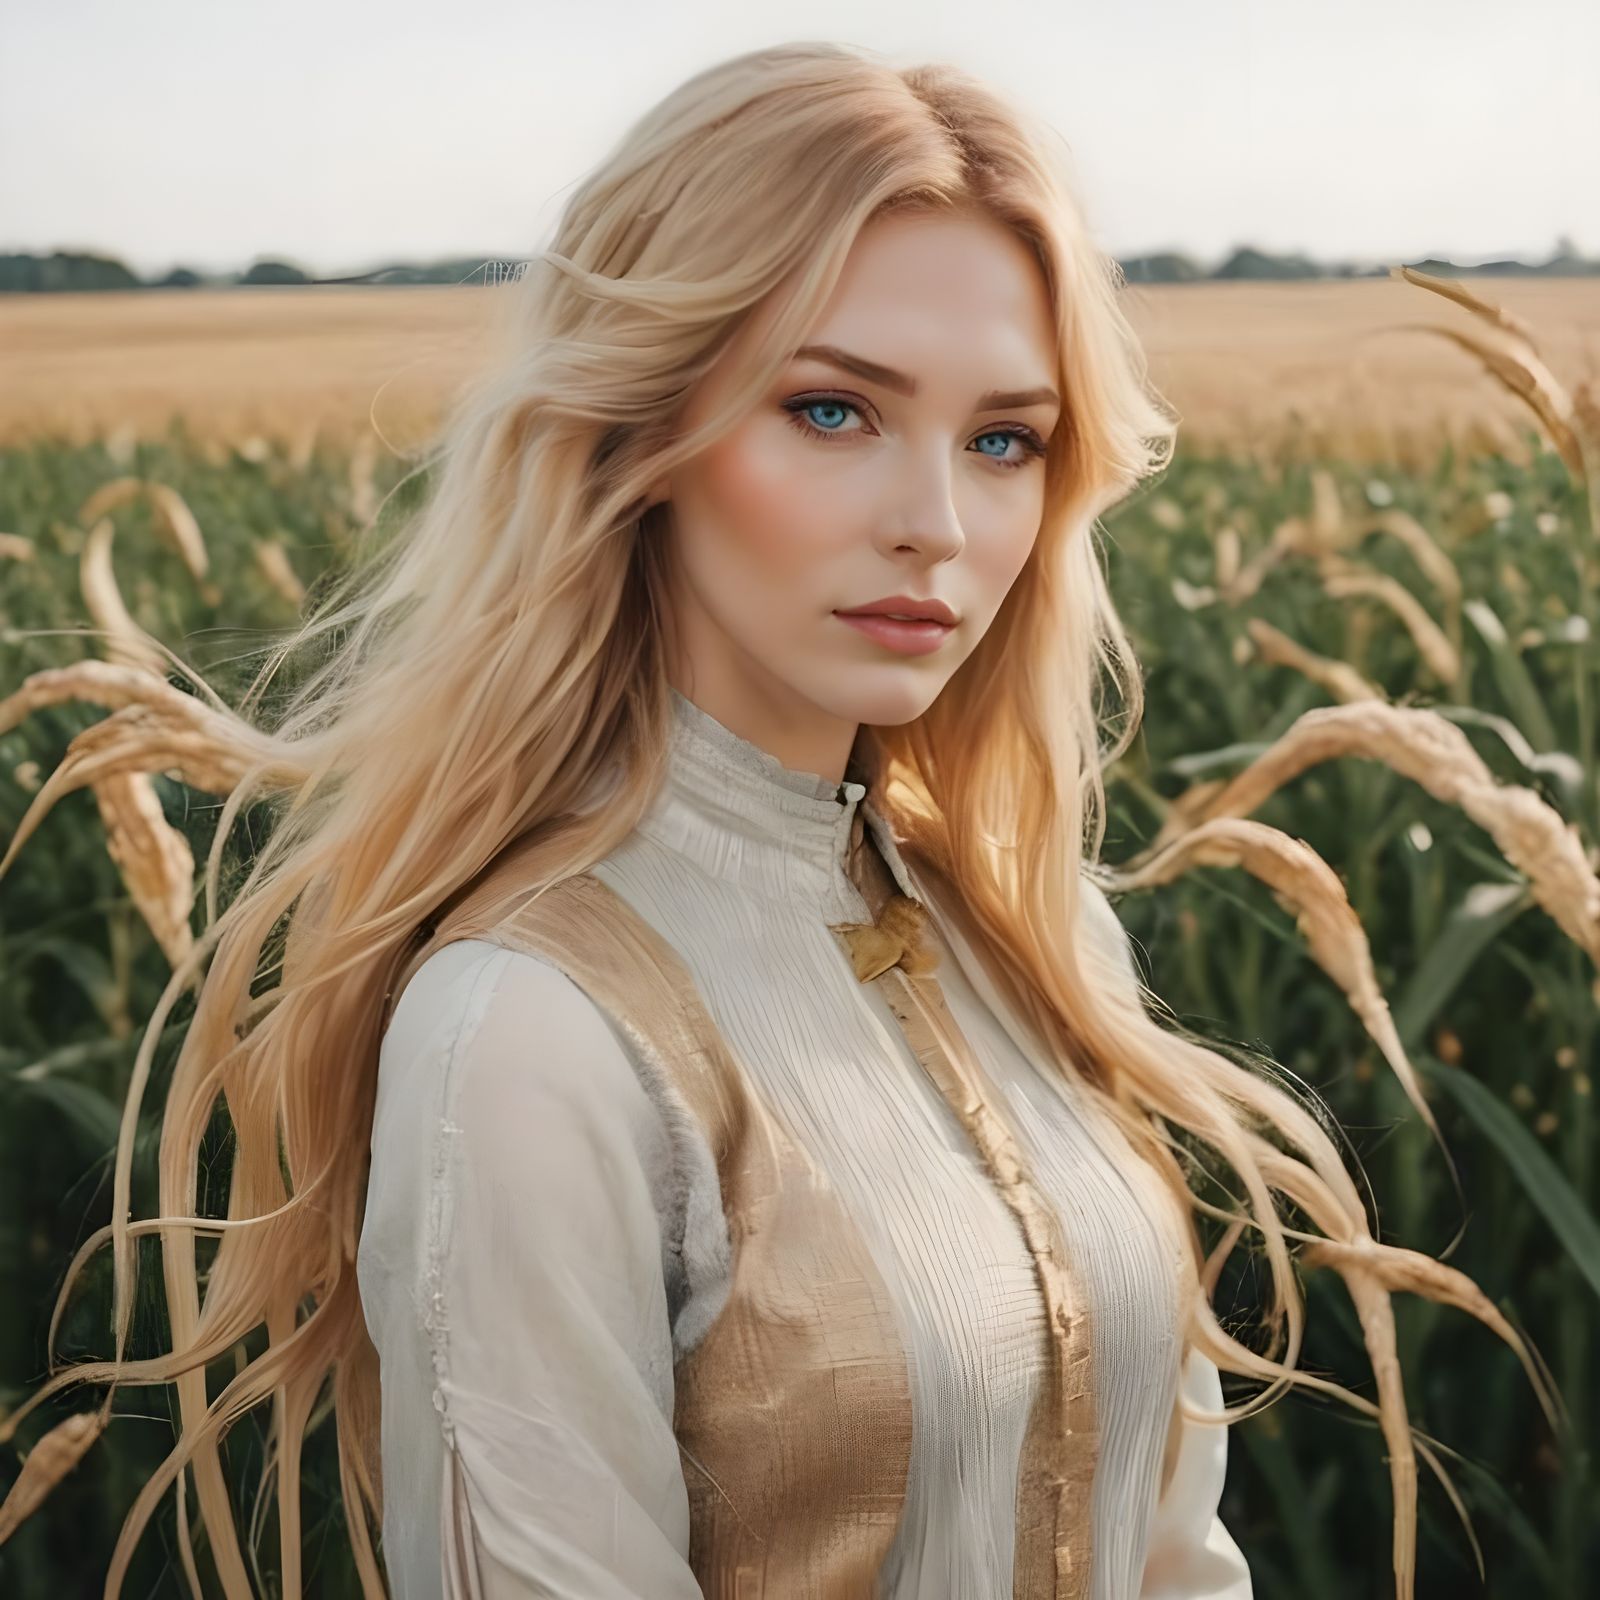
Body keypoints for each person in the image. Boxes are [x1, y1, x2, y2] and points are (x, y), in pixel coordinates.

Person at [4, 38, 1537, 1600]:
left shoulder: (1043, 931)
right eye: (831, 410)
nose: (937, 524)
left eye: (1003, 439)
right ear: (641, 433)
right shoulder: (530, 1032)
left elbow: (1176, 1554)